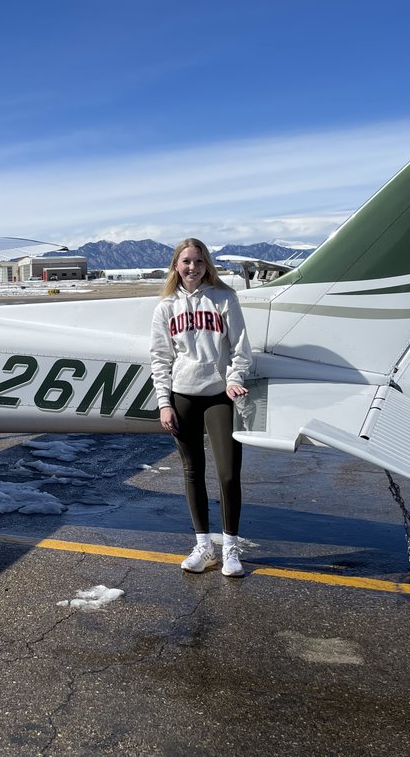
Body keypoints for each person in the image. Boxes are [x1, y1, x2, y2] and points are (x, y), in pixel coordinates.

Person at [149, 238, 253, 577]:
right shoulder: (166, 307)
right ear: (175, 266)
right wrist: (164, 403)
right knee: (192, 472)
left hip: (220, 395)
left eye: (198, 261)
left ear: (206, 264)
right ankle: (203, 546)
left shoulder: (224, 298)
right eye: (185, 262)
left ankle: (231, 548)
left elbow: (240, 347)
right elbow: (160, 359)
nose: (191, 267)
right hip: (183, 396)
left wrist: (235, 377)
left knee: (227, 472)